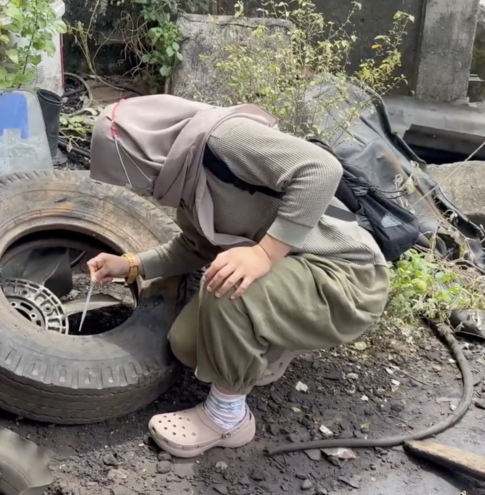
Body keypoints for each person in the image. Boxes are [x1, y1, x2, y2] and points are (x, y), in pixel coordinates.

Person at [86, 94, 390, 458]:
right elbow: (195, 246)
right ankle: (272, 337)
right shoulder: (185, 171)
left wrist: (263, 254)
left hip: (345, 276)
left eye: (131, 175)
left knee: (228, 282)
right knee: (187, 345)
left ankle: (227, 418)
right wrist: (131, 264)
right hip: (294, 269)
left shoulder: (221, 140)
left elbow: (321, 170)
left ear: (141, 152)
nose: (138, 188)